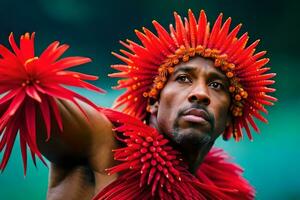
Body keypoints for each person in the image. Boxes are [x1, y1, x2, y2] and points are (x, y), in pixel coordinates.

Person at [0, 10, 276, 200]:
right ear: (154, 100)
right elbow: (37, 105)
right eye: (183, 79)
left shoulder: (227, 192)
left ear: (231, 116)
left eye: (217, 85)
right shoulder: (106, 143)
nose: (200, 93)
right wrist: (26, 81)